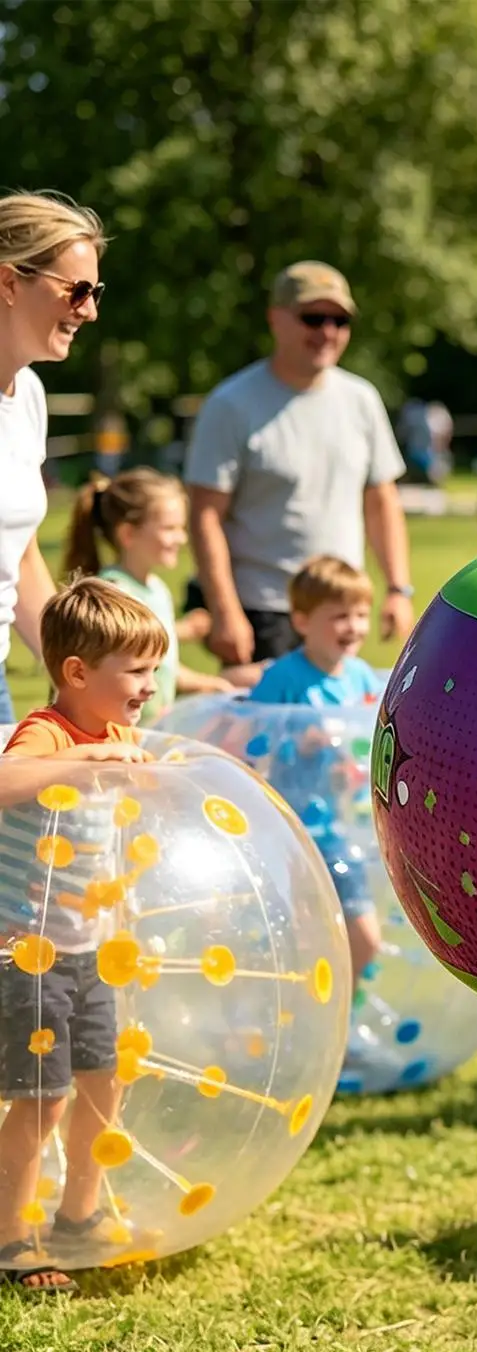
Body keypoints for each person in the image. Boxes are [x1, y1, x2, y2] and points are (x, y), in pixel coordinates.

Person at [0, 578, 164, 1294]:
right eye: (136, 671)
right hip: (28, 954)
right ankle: (12, 1238)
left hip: (95, 948)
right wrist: (90, 761)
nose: (150, 686)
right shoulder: (48, 733)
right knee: (42, 1096)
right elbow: (6, 779)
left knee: (104, 1082)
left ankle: (79, 1215)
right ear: (76, 672)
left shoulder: (122, 737)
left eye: (153, 670)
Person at [184, 261, 414, 669]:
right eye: (313, 318)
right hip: (262, 609)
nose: (327, 332)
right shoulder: (231, 404)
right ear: (276, 319)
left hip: (340, 612)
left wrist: (398, 588)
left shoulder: (361, 399)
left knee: (333, 730)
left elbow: (382, 501)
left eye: (339, 320)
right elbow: (205, 516)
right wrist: (225, 611)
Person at [248, 556, 384, 1018]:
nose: (353, 626)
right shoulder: (284, 680)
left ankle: (338, 1020)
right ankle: (316, 1021)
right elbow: (252, 742)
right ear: (302, 621)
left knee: (361, 937)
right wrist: (297, 741)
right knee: (316, 937)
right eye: (339, 616)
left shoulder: (362, 676)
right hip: (300, 830)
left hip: (349, 829)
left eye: (360, 614)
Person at [0, 191, 105, 722]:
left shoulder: (30, 396)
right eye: (77, 290)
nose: (89, 310)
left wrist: (79, 676)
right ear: (9, 282)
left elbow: (16, 556)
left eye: (95, 291)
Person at [62, 469, 232, 715]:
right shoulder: (114, 594)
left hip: (151, 733)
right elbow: (104, 677)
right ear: (128, 533)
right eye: (169, 528)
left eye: (181, 527)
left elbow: (163, 667)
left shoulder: (157, 589)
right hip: (119, 736)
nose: (181, 538)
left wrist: (206, 684)